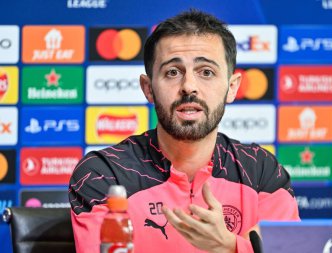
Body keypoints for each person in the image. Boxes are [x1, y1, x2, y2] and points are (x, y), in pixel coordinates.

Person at [69, 9, 300, 253]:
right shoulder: (104, 174)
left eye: (206, 72)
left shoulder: (260, 171)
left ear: (232, 88)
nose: (189, 86)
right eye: (173, 72)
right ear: (148, 89)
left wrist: (230, 247)